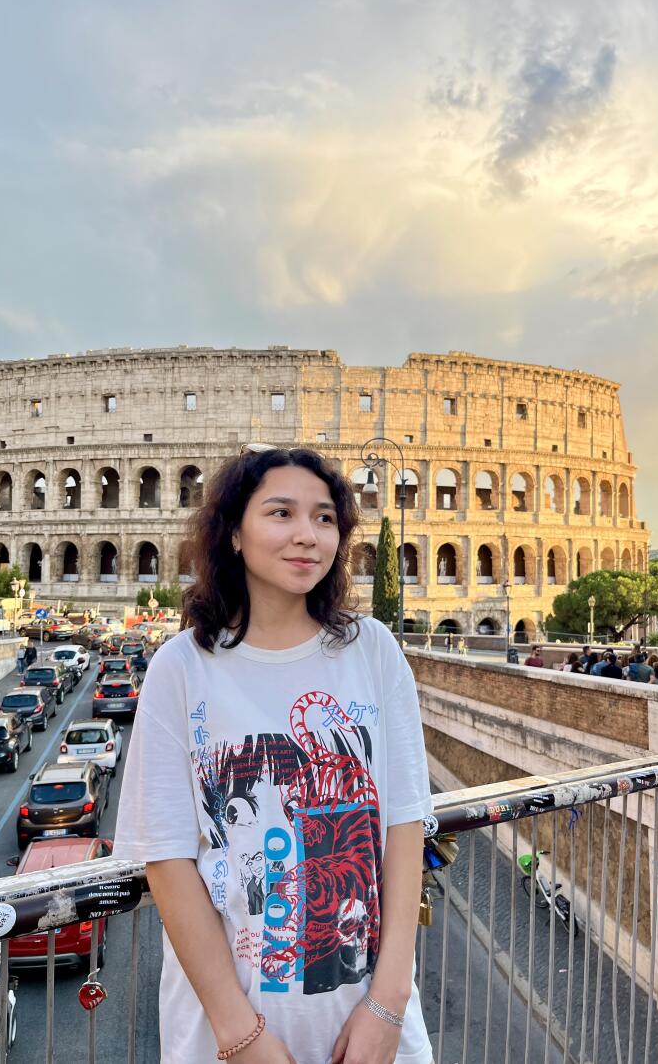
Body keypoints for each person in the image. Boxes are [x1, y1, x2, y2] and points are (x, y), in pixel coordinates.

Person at [113, 445, 434, 1064]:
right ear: (233, 533)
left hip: (367, 1017)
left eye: (324, 518)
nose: (306, 536)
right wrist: (241, 1035)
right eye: (281, 513)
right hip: (227, 1029)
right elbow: (168, 860)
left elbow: (402, 827)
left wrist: (388, 1004)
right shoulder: (180, 668)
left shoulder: (374, 650)